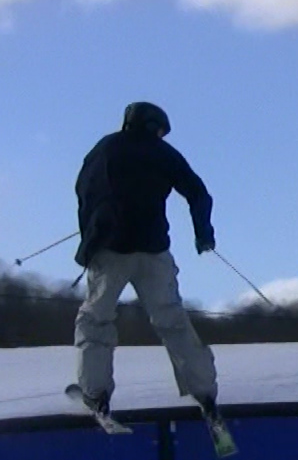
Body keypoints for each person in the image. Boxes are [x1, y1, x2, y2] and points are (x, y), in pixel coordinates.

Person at [71, 100, 218, 418]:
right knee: (172, 320)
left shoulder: (104, 149)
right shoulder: (163, 153)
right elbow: (198, 193)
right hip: (154, 251)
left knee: (96, 320)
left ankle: (95, 393)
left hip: (109, 250)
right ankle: (204, 391)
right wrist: (203, 233)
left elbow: (84, 192)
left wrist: (90, 240)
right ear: (155, 126)